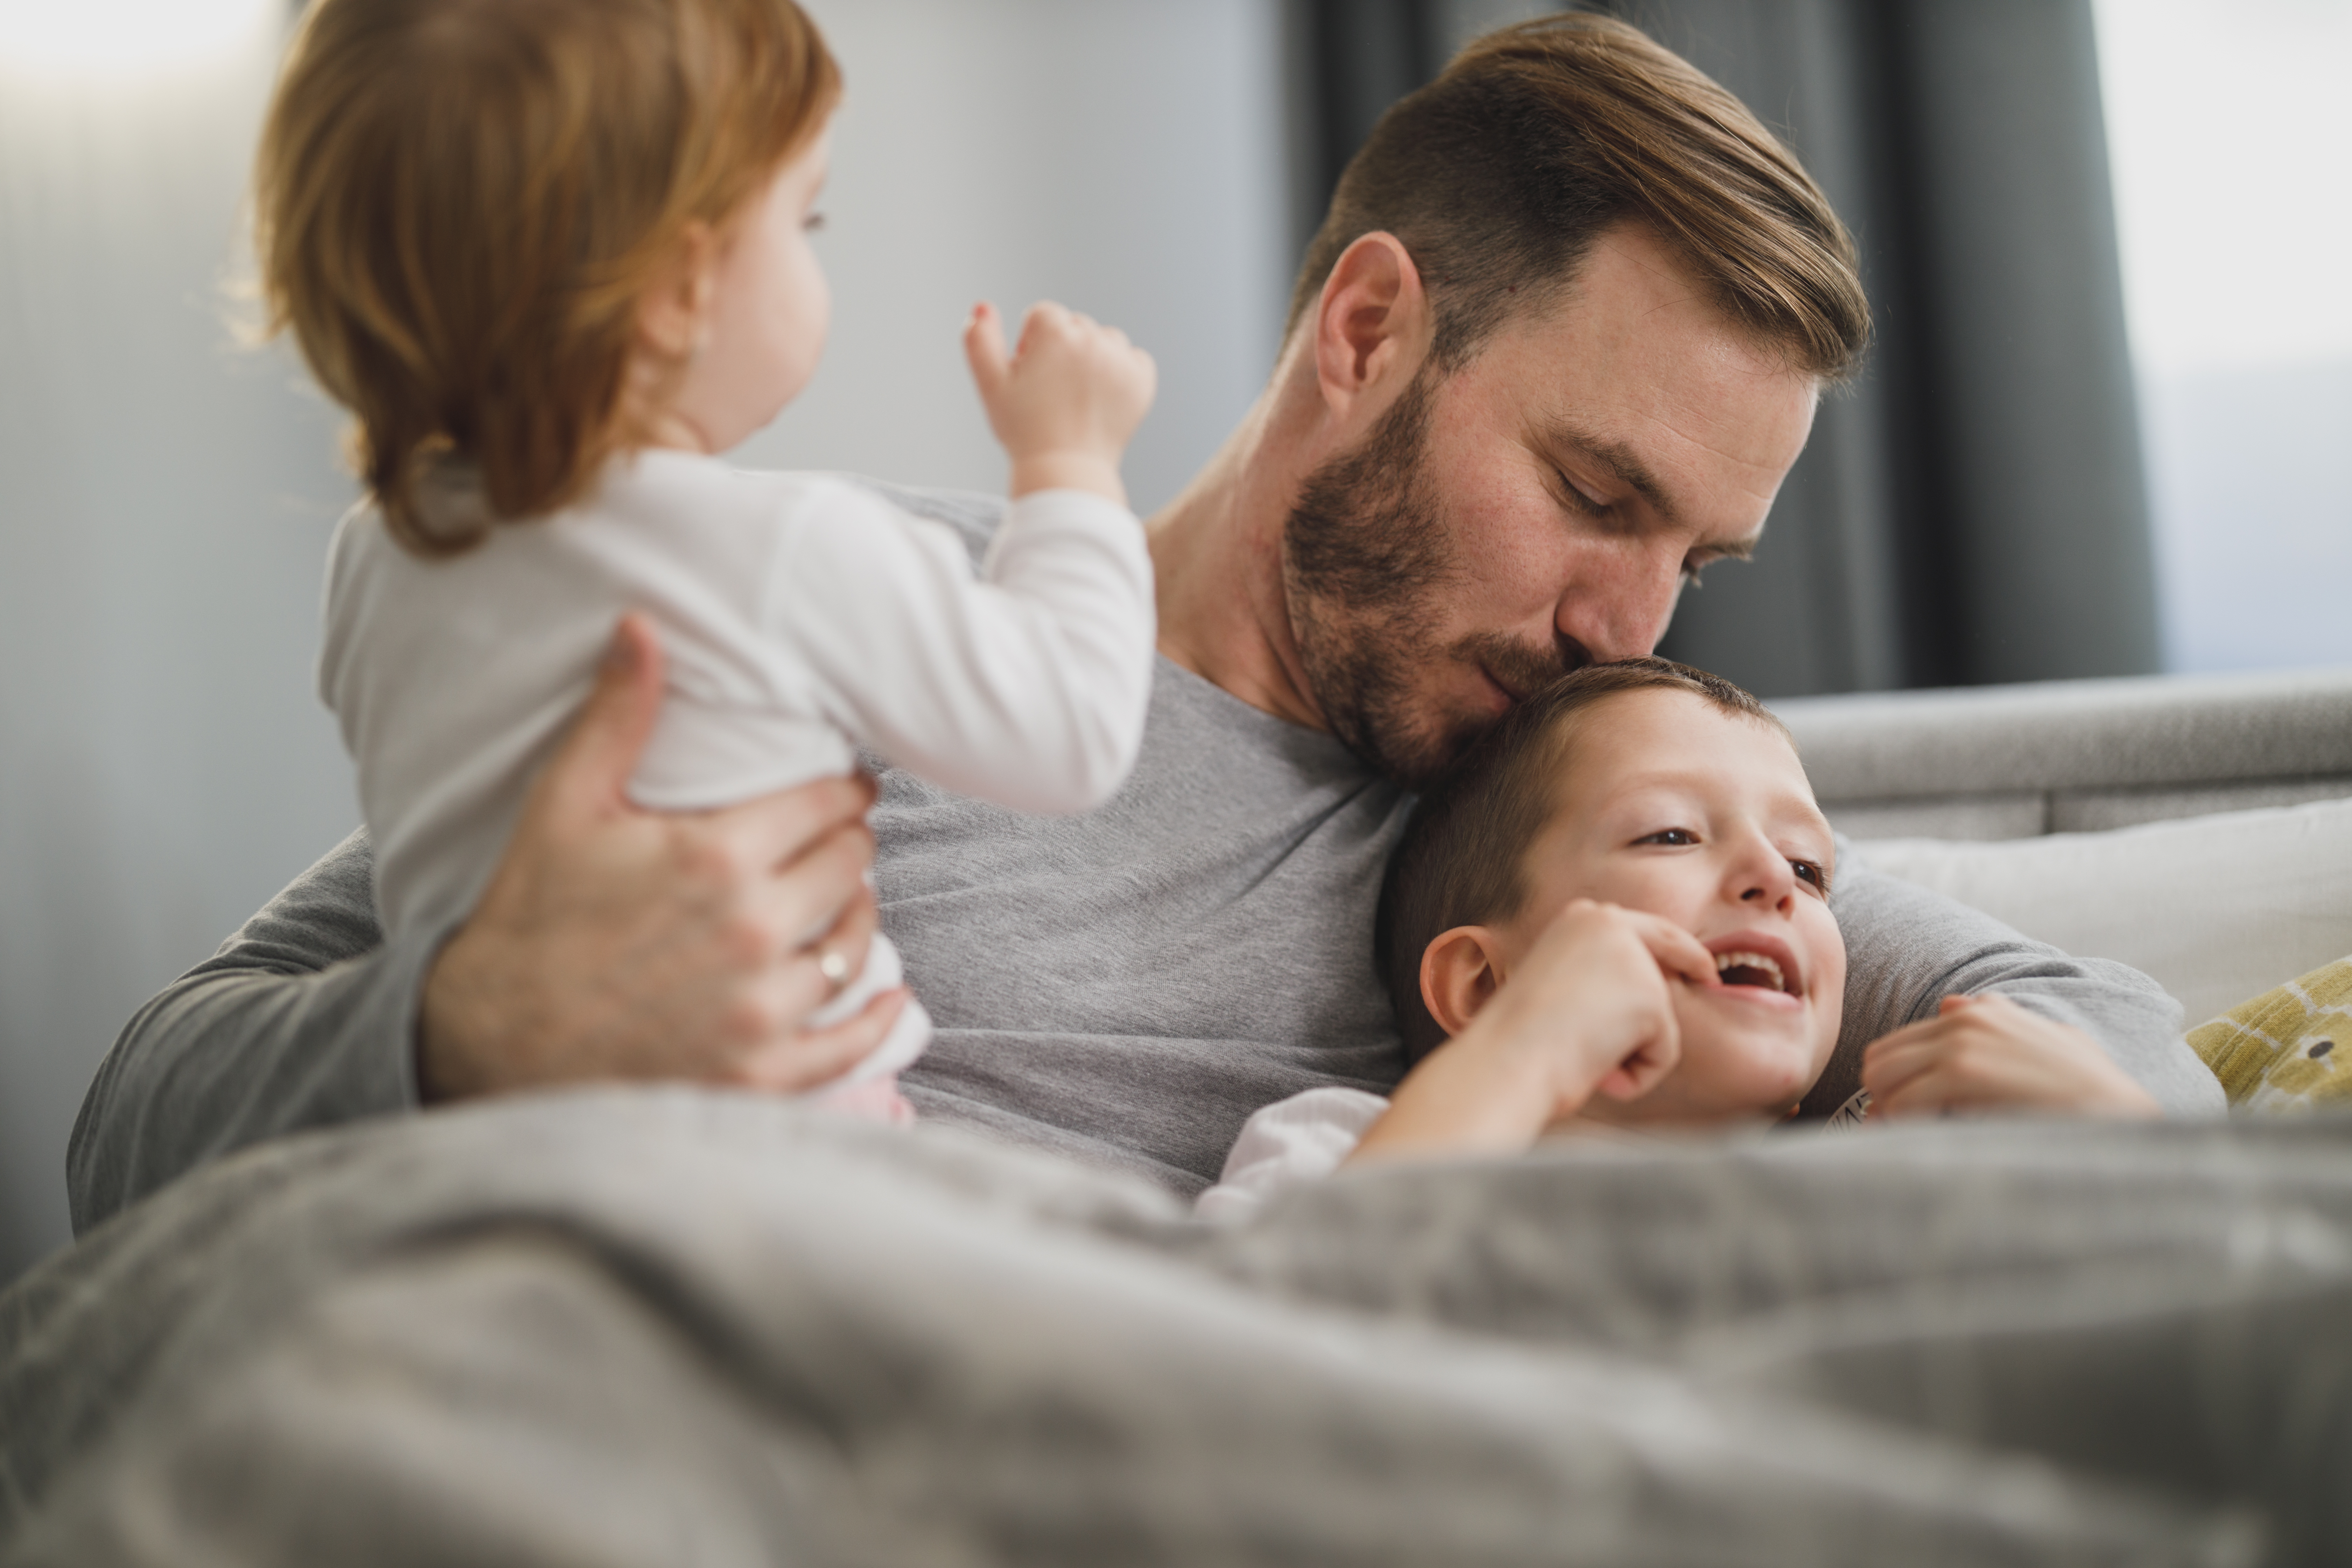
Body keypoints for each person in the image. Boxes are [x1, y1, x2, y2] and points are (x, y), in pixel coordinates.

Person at [67, 13, 2222, 1229]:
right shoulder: (825, 606)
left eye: (1698, 565)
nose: (1627, 622)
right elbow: (135, 1107)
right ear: (1369, 330)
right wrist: (460, 1028)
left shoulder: (1588, 811)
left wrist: (2107, 1124)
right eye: (1594, 494)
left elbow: (2059, 996)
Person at [265, 0, 1159, 1123]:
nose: (817, 247)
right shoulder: (781, 551)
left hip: (495, 1145)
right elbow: (1071, 732)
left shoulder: (379, 559)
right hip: (789, 1147)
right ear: (684, 292)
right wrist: (1068, 460)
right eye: (808, 218)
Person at [1197, 660, 2162, 1220]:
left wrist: (2132, 1148)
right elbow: (1266, 1350)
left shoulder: (1869, 1183)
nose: (1772, 880)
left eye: (1811, 869)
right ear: (1488, 987)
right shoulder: (1345, 1148)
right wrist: (1523, 1055)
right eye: (1669, 833)